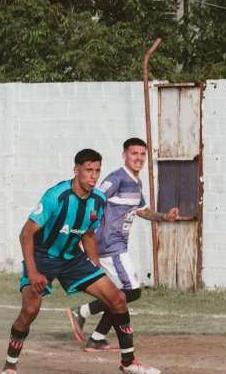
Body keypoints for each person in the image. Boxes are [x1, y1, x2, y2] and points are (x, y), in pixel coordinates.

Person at [0, 149, 162, 374]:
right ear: (76, 171)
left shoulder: (98, 199)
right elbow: (26, 234)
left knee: (117, 298)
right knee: (29, 311)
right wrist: (33, 271)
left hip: (73, 258)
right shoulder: (56, 196)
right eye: (88, 170)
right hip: (42, 257)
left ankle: (129, 363)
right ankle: (9, 366)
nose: (93, 176)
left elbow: (87, 234)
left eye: (97, 170)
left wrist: (95, 266)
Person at [66, 137, 182, 350]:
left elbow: (143, 211)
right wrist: (84, 232)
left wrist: (165, 216)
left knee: (120, 294)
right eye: (133, 153)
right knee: (131, 291)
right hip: (110, 245)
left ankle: (90, 326)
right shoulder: (116, 178)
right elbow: (94, 198)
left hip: (117, 246)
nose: (138, 158)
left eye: (142, 154)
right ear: (124, 156)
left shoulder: (136, 183)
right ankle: (90, 325)